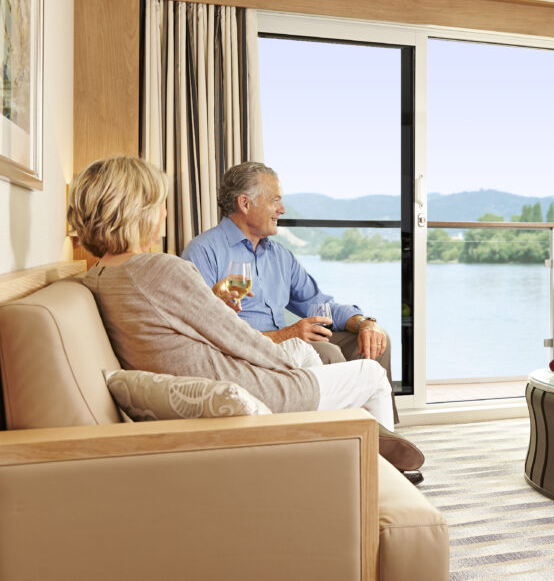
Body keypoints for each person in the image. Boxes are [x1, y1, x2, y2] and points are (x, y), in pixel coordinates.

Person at [68, 156, 423, 480]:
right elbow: (235, 338)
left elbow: (184, 327)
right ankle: (386, 480)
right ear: (138, 210)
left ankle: (340, 443)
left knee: (310, 350)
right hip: (246, 385)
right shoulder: (165, 268)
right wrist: (292, 376)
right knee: (370, 375)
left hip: (226, 374)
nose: (164, 213)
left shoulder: (98, 277)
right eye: (159, 204)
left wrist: (363, 321)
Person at [180, 162, 400, 422]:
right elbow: (202, 332)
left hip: (292, 346)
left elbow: (319, 304)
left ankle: (380, 435)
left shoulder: (280, 256)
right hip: (247, 356)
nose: (282, 210)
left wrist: (364, 323)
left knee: (377, 340)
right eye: (275, 201)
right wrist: (287, 334)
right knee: (327, 352)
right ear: (245, 203)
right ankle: (346, 433)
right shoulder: (203, 252)